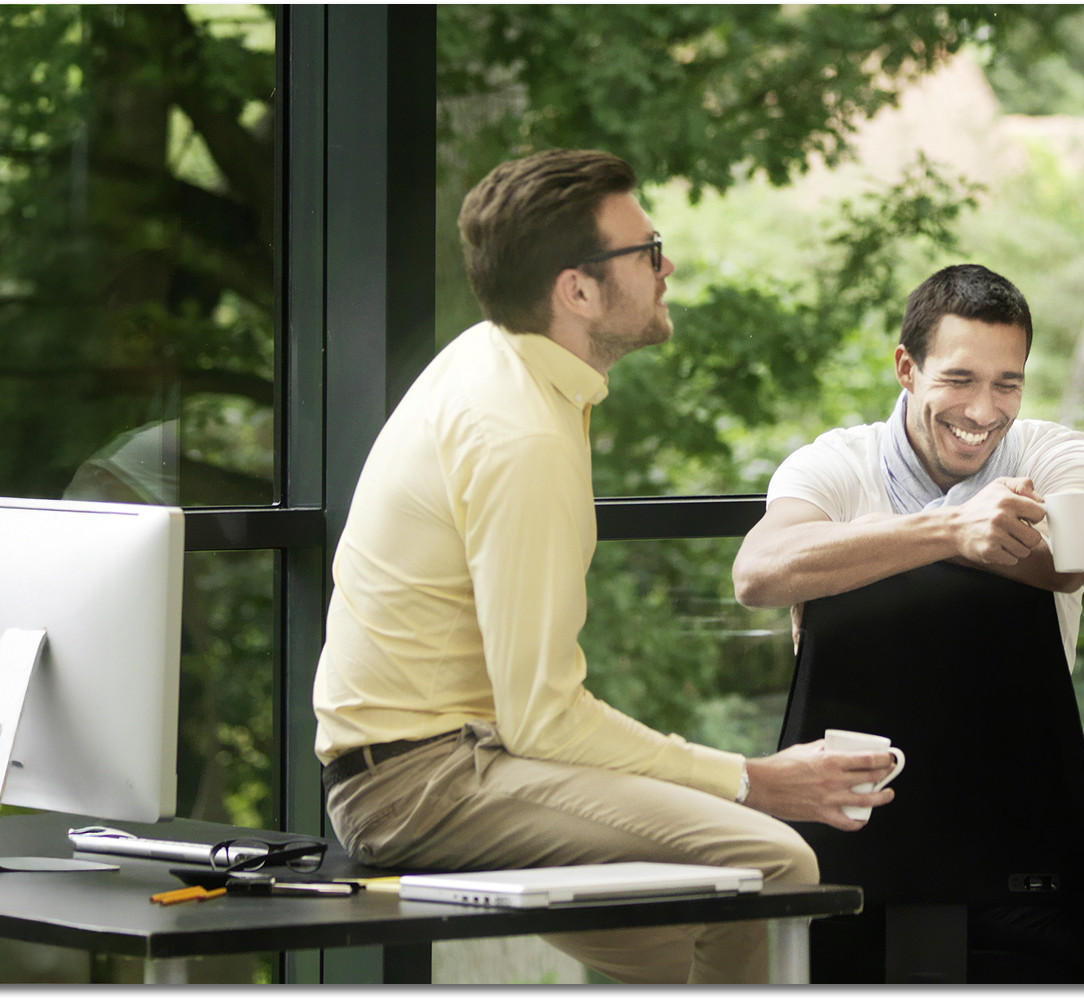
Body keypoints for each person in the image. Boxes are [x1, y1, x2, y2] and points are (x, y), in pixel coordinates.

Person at [310, 148, 897, 985]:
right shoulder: (521, 434)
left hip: (448, 759)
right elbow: (543, 719)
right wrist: (753, 780)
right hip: (427, 784)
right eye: (647, 251)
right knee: (771, 859)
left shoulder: (502, 362)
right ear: (576, 291)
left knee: (664, 946)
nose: (668, 268)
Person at [733, 263, 1084, 983]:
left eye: (1007, 383)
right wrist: (952, 532)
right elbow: (758, 573)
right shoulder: (833, 464)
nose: (984, 410)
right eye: (959, 380)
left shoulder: (1055, 453)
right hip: (850, 824)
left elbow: (1070, 561)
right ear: (907, 368)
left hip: (1019, 833)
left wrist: (954, 540)